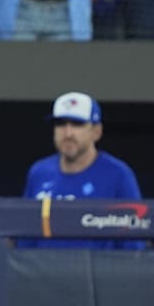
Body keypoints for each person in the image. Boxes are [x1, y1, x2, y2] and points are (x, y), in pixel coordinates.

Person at [17, 91, 146, 250]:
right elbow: (24, 242)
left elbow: (133, 246)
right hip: (43, 272)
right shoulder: (39, 172)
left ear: (96, 131)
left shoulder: (118, 175)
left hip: (99, 272)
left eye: (77, 124)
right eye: (61, 124)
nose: (68, 133)